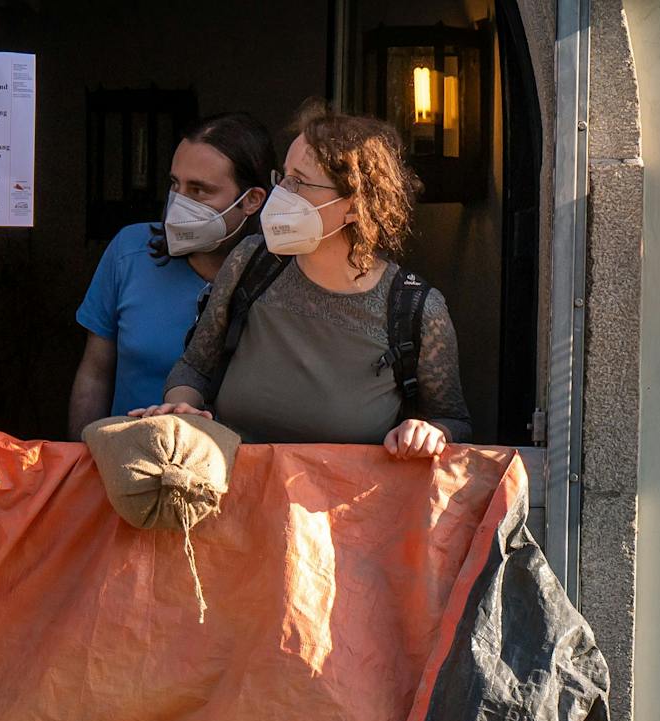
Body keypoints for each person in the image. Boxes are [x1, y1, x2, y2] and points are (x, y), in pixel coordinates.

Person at [140, 104, 470, 458]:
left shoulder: (417, 310)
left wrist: (431, 432)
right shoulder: (252, 261)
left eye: (299, 181)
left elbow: (453, 419)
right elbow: (193, 367)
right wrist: (182, 409)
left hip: (342, 510)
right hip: (231, 497)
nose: (281, 192)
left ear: (355, 205)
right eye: (283, 176)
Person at [67, 113, 275, 435]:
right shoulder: (129, 252)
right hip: (128, 465)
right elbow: (95, 374)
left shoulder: (281, 276)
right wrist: (80, 461)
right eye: (175, 184)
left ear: (251, 200)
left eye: (199, 190)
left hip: (237, 470)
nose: (179, 202)